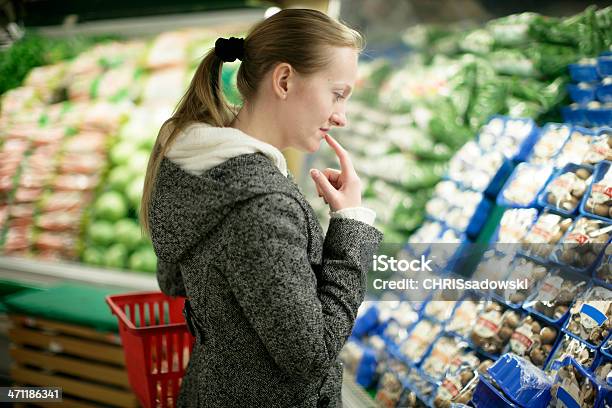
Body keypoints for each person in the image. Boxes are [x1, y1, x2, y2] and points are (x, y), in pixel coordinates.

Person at [140, 8, 383, 408]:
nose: (341, 117)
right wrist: (350, 224)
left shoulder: (197, 162)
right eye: (337, 94)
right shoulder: (261, 202)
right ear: (284, 80)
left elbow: (175, 282)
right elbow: (311, 356)